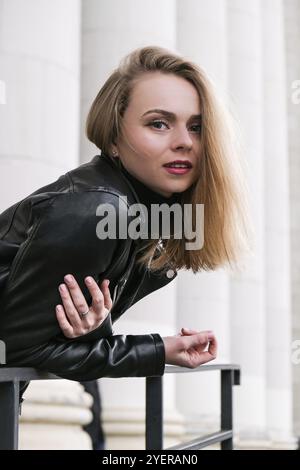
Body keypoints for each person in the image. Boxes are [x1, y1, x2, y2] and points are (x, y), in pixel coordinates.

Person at [0, 46, 249, 443]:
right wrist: (158, 350)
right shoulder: (97, 210)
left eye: (197, 127)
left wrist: (94, 332)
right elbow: (18, 349)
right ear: (114, 137)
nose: (185, 142)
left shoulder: (144, 221)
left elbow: (46, 334)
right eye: (159, 124)